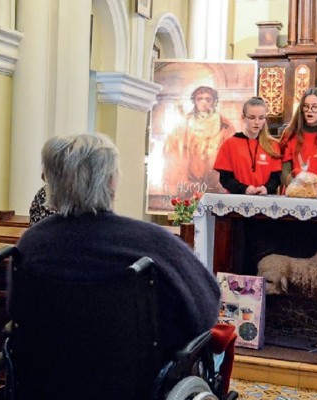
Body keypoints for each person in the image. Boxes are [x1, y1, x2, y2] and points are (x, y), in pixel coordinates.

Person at [12, 133, 220, 358]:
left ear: (51, 180)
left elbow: (16, 312)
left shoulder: (32, 243)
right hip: (131, 373)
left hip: (50, 370)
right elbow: (206, 309)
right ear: (111, 182)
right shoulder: (153, 241)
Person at [163, 86, 236, 194]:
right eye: (200, 99)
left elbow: (233, 148)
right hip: (190, 173)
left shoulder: (224, 125)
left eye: (208, 99)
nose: (204, 102)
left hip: (214, 174)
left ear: (214, 101)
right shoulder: (185, 123)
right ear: (194, 101)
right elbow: (172, 146)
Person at [213, 97, 282, 195]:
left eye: (261, 118)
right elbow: (225, 178)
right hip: (236, 202)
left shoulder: (273, 145)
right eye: (252, 117)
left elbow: (276, 177)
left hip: (265, 202)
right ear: (243, 118)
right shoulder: (230, 144)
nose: (257, 122)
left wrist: (266, 188)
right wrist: (244, 189)